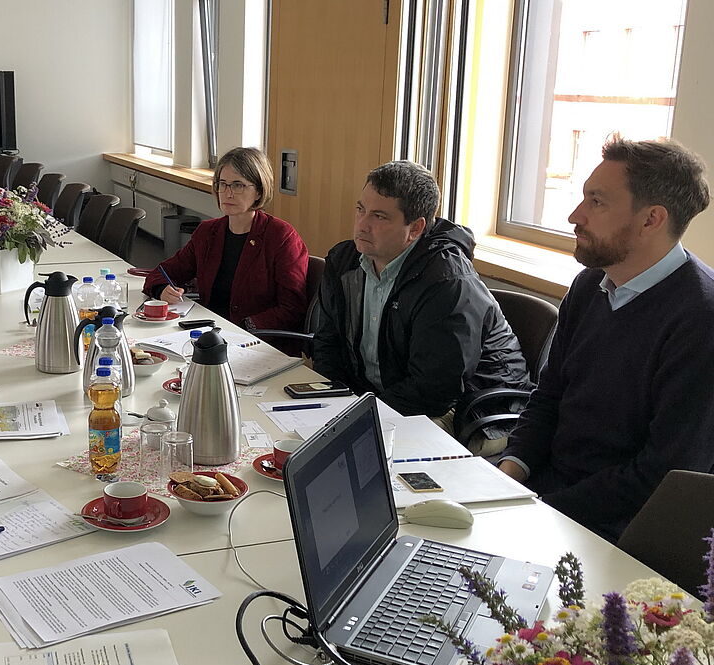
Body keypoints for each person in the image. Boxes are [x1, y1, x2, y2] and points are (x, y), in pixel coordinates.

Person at [499, 137, 714, 541]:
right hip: (546, 499)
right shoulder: (589, 285)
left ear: (651, 220)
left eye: (596, 202)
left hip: (620, 530)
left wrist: (541, 509)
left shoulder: (701, 319)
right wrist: (508, 474)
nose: (574, 216)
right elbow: (549, 397)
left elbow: (662, 475)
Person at [306, 161, 529, 447]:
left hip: (469, 409)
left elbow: (434, 389)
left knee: (366, 451)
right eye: (361, 209)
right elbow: (329, 343)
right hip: (387, 396)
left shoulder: (446, 281)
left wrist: (358, 416)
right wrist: (332, 401)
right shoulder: (343, 262)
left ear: (415, 228)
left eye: (379, 216)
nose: (362, 224)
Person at [142, 147, 308, 349]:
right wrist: (161, 289)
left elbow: (292, 309)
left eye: (238, 185)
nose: (228, 193)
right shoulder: (208, 232)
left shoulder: (281, 236)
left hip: (258, 345)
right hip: (209, 338)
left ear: (258, 191)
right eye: (222, 184)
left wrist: (243, 327)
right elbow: (162, 273)